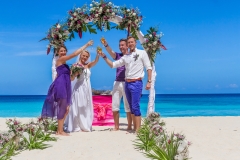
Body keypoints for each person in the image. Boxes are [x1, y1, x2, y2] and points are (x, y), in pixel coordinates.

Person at [98, 36, 152, 132]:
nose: (130, 44)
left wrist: (149, 81)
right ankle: (134, 128)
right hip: (127, 83)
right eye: (129, 42)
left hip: (136, 82)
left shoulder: (142, 53)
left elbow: (149, 67)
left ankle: (137, 129)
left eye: (132, 42)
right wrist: (104, 56)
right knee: (131, 106)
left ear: (135, 43)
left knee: (134, 106)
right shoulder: (125, 57)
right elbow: (113, 65)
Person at [41, 40, 93, 136]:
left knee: (66, 108)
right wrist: (86, 45)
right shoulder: (60, 60)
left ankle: (59, 130)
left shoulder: (64, 64)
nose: (63, 52)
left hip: (66, 85)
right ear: (57, 52)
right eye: (61, 51)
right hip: (61, 85)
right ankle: (59, 131)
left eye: (64, 50)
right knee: (63, 107)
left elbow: (68, 77)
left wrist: (75, 74)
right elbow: (74, 54)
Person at [100, 38, 132, 131]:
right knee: (115, 105)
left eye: (122, 45)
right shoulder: (118, 56)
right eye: (120, 45)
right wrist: (106, 44)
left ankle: (129, 126)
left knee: (128, 105)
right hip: (117, 82)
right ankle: (116, 127)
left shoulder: (131, 56)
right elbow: (111, 52)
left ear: (127, 46)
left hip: (127, 82)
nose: (121, 47)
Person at [64, 50, 100, 132]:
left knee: (85, 106)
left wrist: (98, 54)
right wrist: (75, 73)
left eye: (86, 56)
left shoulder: (88, 65)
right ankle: (76, 125)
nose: (85, 57)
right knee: (78, 105)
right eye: (83, 55)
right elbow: (71, 78)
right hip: (79, 87)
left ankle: (84, 125)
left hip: (87, 88)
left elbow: (96, 61)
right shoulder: (75, 65)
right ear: (80, 56)